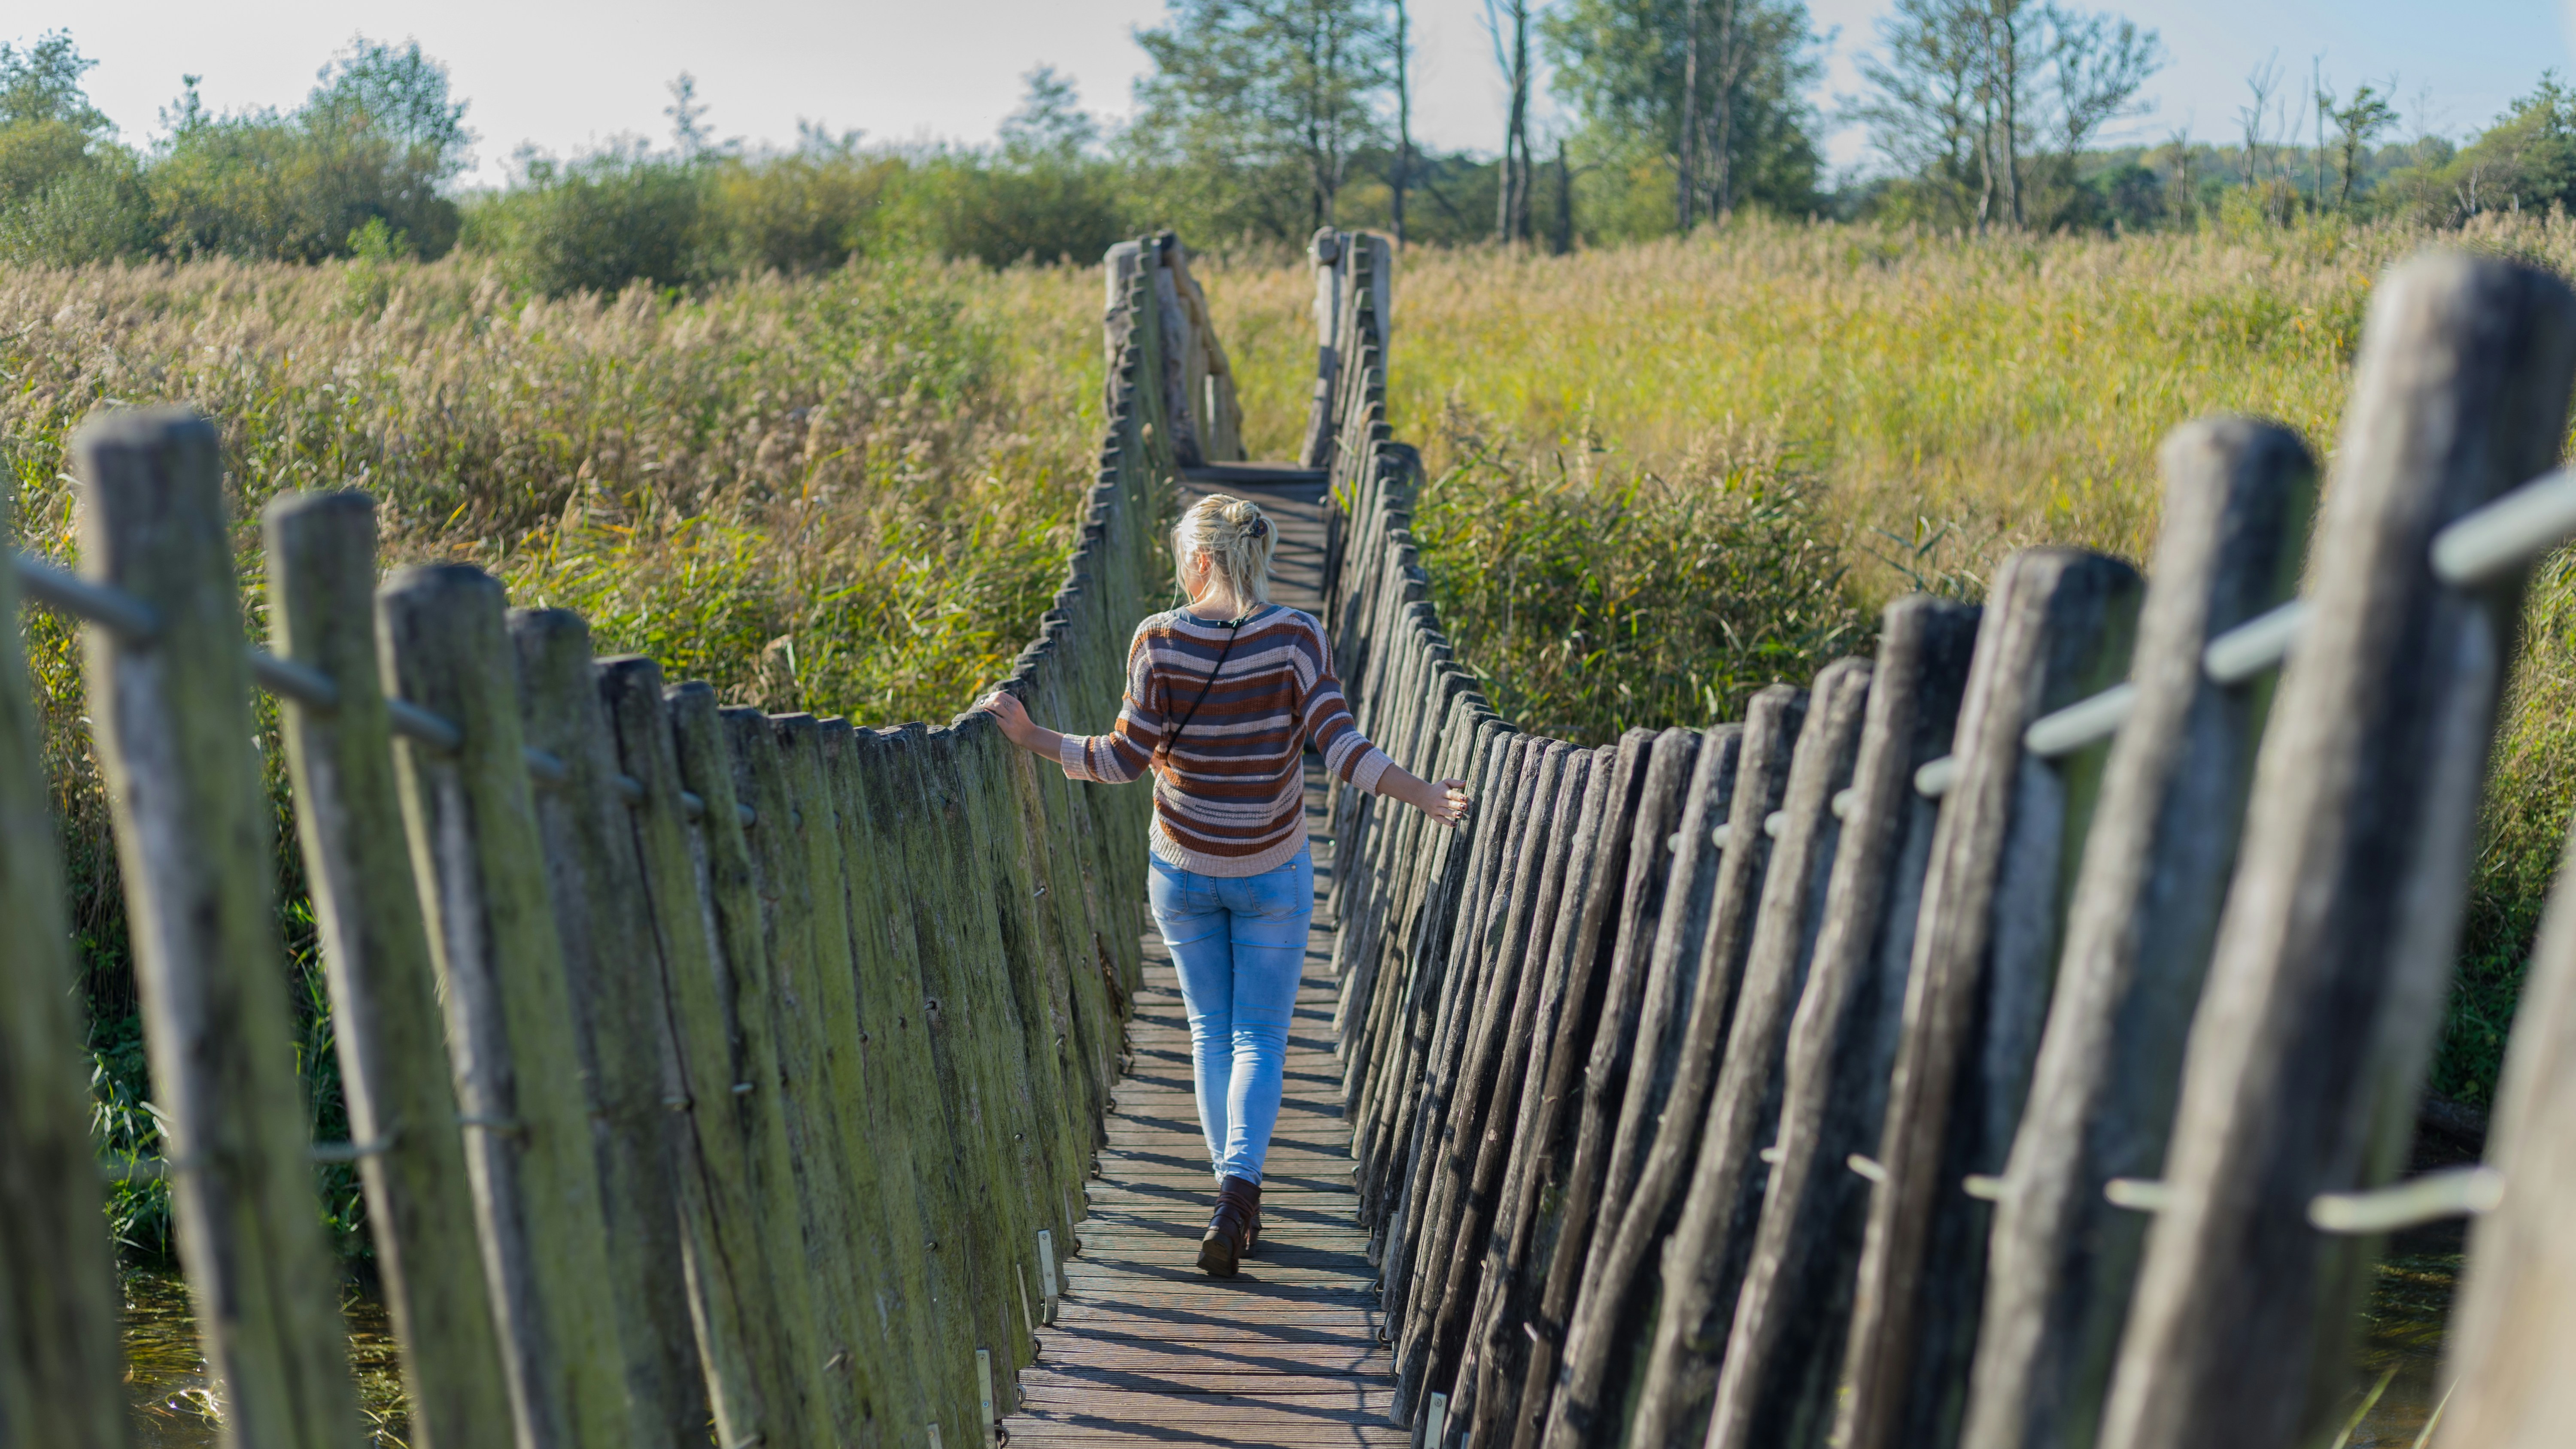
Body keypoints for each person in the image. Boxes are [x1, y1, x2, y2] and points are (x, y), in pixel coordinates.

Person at [978, 493, 1468, 1277]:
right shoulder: (1297, 637)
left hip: (1182, 869)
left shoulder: (1157, 640)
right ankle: (1237, 1195)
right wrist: (1427, 796)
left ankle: (1232, 1199)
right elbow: (1343, 749)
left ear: (1199, 560)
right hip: (1273, 868)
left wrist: (1035, 737)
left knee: (1211, 1032)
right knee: (1260, 1039)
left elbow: (1121, 760)